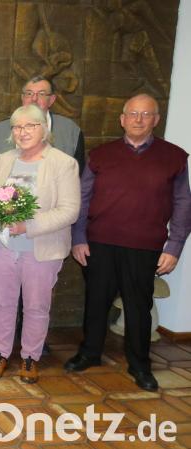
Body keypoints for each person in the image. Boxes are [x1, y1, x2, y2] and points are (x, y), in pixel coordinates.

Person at [65, 93, 191, 392]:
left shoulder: (173, 157)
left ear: (155, 120)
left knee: (138, 308)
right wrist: (78, 238)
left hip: (145, 246)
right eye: (133, 114)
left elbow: (184, 204)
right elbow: (82, 199)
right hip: (100, 244)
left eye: (146, 114)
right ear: (122, 119)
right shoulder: (100, 155)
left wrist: (173, 248)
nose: (138, 119)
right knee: (96, 302)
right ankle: (89, 353)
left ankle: (140, 364)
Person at [0, 75, 85, 355]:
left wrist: (27, 226)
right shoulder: (3, 160)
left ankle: (30, 357)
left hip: (42, 247)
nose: (23, 132)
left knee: (37, 307)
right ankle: (0, 353)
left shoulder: (63, 164)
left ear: (44, 129)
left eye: (30, 126)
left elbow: (69, 210)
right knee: (1, 303)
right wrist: (0, 220)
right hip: (2, 246)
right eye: (17, 127)